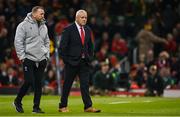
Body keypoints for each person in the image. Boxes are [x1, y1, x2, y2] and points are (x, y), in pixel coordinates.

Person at [59, 9, 101, 113]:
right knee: (67, 85)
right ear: (76, 18)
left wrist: (90, 57)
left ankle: (88, 106)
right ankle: (62, 106)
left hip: (84, 62)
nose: (84, 19)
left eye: (86, 17)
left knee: (85, 85)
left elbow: (90, 46)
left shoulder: (87, 29)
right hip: (71, 62)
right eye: (82, 17)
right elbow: (62, 47)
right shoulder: (68, 29)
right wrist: (66, 61)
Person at [13, 6, 50, 113]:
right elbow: (18, 41)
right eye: (41, 14)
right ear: (34, 14)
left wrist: (46, 55)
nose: (43, 15)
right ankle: (17, 101)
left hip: (41, 59)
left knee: (38, 84)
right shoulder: (23, 25)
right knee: (29, 81)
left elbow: (47, 41)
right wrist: (22, 57)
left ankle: (36, 108)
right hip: (28, 58)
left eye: (43, 14)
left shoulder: (44, 26)